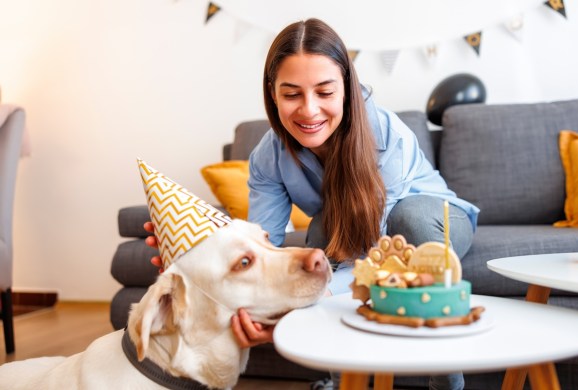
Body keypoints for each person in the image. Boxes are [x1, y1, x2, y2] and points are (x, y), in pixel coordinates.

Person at [148, 18, 479, 390]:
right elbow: (263, 247)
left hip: (433, 225)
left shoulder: (387, 136)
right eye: (292, 94)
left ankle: (447, 381)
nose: (308, 110)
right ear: (272, 94)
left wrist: (317, 292)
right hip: (347, 226)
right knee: (323, 227)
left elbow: (382, 254)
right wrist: (195, 253)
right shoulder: (267, 158)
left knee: (410, 218)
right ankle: (342, 378)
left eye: (324, 92)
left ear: (346, 92)